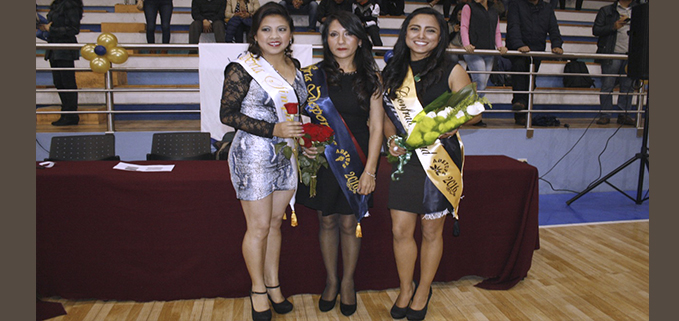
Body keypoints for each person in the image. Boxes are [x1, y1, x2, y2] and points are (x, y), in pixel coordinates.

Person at [381, 7, 480, 321]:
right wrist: (390, 140)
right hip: (406, 159)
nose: (421, 36)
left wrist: (454, 121)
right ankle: (405, 288)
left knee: (431, 230)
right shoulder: (393, 70)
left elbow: (474, 111)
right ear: (405, 33)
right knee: (400, 230)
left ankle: (423, 289)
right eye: (415, 29)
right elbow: (387, 116)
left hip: (439, 157)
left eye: (430, 30)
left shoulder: (452, 68)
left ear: (441, 37)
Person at [219, 2, 307, 320]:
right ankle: (257, 289)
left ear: (290, 34)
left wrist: (304, 138)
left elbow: (300, 112)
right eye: (266, 29)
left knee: (274, 224)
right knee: (257, 227)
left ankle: (273, 284)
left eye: (281, 29)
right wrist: (274, 128)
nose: (274, 36)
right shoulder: (242, 68)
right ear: (255, 34)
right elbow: (227, 115)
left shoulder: (296, 68)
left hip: (285, 156)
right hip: (252, 156)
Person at [297, 11, 384, 317]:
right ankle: (331, 280)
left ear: (360, 39)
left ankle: (347, 282)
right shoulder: (311, 76)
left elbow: (376, 127)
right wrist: (303, 145)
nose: (341, 41)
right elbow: (297, 120)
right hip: (323, 161)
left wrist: (371, 170)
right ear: (326, 40)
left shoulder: (372, 78)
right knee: (326, 220)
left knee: (349, 222)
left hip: (357, 159)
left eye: (348, 34)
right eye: (334, 35)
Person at [505, 0, 563, 125]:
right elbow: (513, 27)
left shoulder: (547, 8)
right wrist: (519, 45)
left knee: (531, 81)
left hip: (536, 50)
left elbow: (554, 29)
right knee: (519, 72)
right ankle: (520, 107)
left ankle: (524, 112)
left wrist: (557, 45)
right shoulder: (516, 5)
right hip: (519, 50)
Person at [459, 0, 507, 127]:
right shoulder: (468, 7)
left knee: (482, 84)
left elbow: (497, 30)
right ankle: (470, 113)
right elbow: (464, 26)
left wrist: (500, 46)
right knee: (480, 80)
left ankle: (474, 114)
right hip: (474, 51)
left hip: (489, 51)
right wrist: (466, 44)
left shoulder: (493, 9)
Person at [592, 0, 639, 125]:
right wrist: (613, 26)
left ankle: (624, 114)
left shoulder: (639, 11)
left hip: (631, 54)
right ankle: (605, 114)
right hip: (611, 53)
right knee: (608, 84)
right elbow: (596, 30)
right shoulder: (606, 10)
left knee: (628, 86)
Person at [43, 0, 83, 126]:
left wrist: (52, 29)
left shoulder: (71, 4)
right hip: (54, 46)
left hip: (64, 47)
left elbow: (73, 29)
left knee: (67, 81)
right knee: (59, 82)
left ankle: (71, 114)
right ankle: (66, 113)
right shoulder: (57, 4)